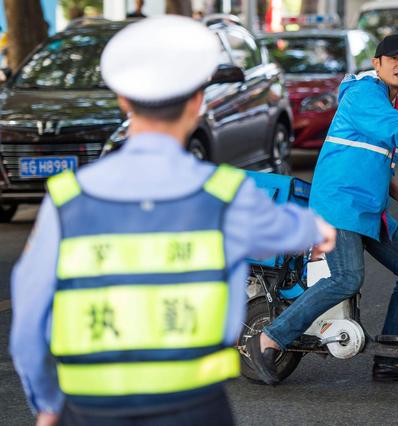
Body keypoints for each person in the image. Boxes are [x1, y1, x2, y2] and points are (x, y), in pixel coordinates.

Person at [10, 16, 335, 426]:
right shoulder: (225, 194)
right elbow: (291, 228)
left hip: (91, 407)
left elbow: (27, 323)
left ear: (123, 102)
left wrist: (46, 404)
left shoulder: (65, 201)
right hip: (193, 407)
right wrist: (318, 230)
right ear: (198, 102)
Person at [246, 34, 398, 385]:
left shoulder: (386, 101)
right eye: (394, 58)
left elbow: (376, 158)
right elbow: (397, 131)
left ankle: (389, 360)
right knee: (346, 277)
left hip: (369, 208)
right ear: (376, 63)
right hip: (339, 204)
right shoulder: (362, 94)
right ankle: (268, 339)